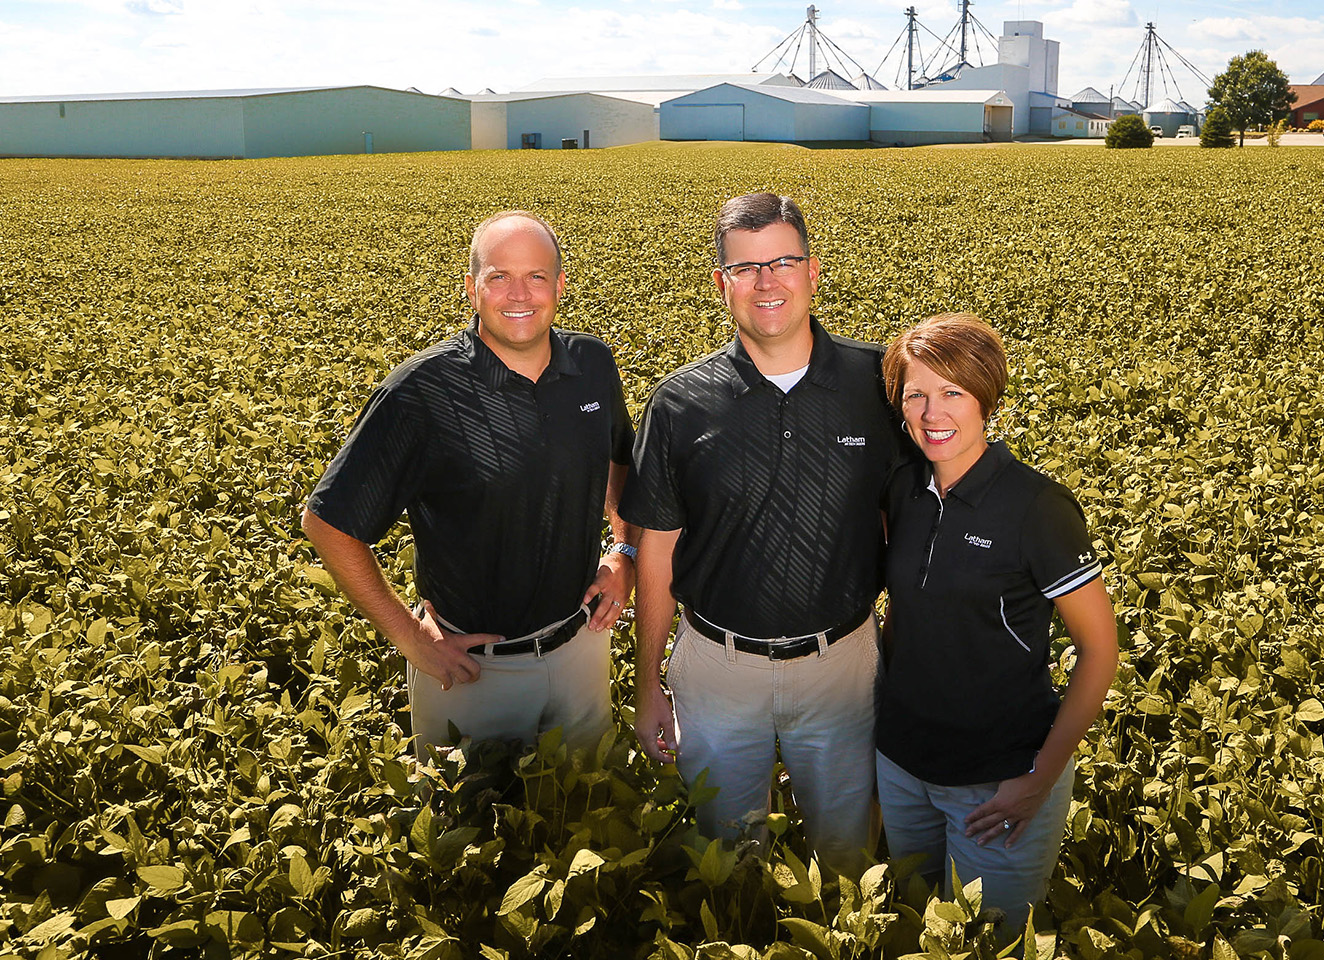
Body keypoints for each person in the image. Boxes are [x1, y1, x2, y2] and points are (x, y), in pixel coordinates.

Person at [621, 192, 901, 875]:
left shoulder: (880, 382)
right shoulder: (682, 401)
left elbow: (919, 523)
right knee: (727, 860)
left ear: (813, 271)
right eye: (745, 268)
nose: (766, 281)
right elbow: (656, 551)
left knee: (847, 859)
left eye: (782, 262)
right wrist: (647, 682)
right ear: (722, 284)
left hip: (844, 664)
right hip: (716, 669)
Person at [302, 211, 636, 758]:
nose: (519, 294)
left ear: (560, 284)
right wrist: (411, 640)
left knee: (585, 806)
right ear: (471, 289)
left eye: (536, 276)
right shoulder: (423, 392)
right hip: (473, 672)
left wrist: (622, 550)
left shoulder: (593, 365)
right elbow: (328, 521)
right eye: (499, 276)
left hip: (582, 646)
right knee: (469, 825)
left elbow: (621, 459)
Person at [876, 313, 1118, 929]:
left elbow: (1098, 650)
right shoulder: (901, 490)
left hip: (998, 781)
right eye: (917, 395)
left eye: (953, 391)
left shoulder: (1036, 507)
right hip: (902, 766)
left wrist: (1040, 777)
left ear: (986, 396)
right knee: (914, 924)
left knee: (993, 940)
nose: (934, 412)